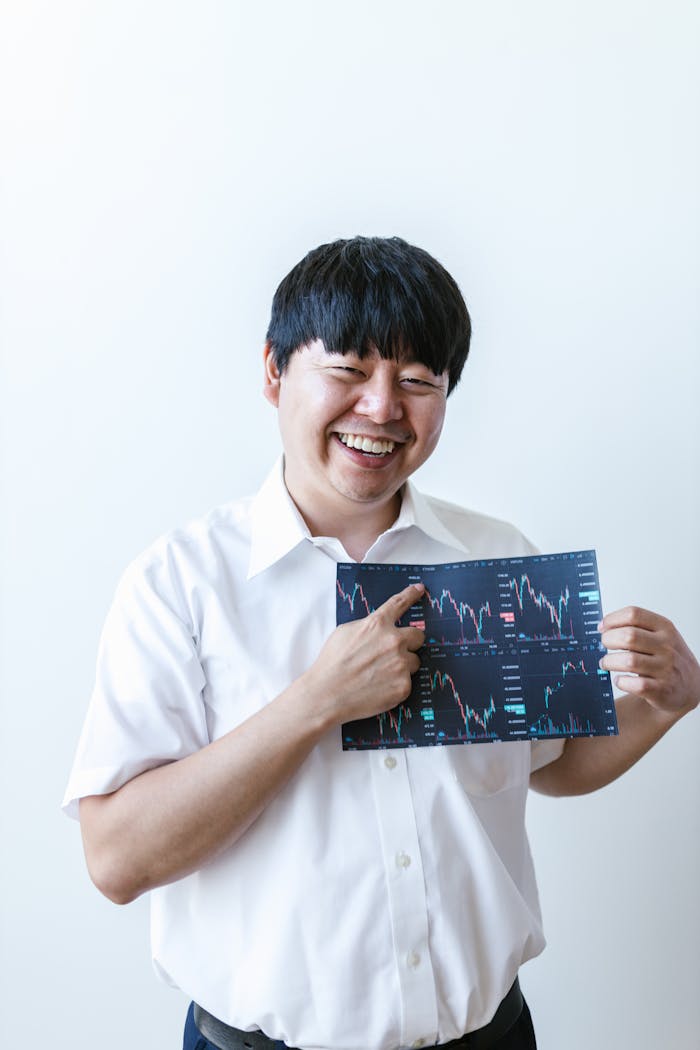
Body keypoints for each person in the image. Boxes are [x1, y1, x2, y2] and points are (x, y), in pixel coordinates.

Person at [64, 236, 700, 1050]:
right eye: (349, 370)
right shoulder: (180, 583)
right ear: (273, 372)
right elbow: (116, 860)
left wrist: (662, 708)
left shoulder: (499, 559)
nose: (381, 408)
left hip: (490, 1037)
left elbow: (552, 763)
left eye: (416, 382)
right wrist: (313, 704)